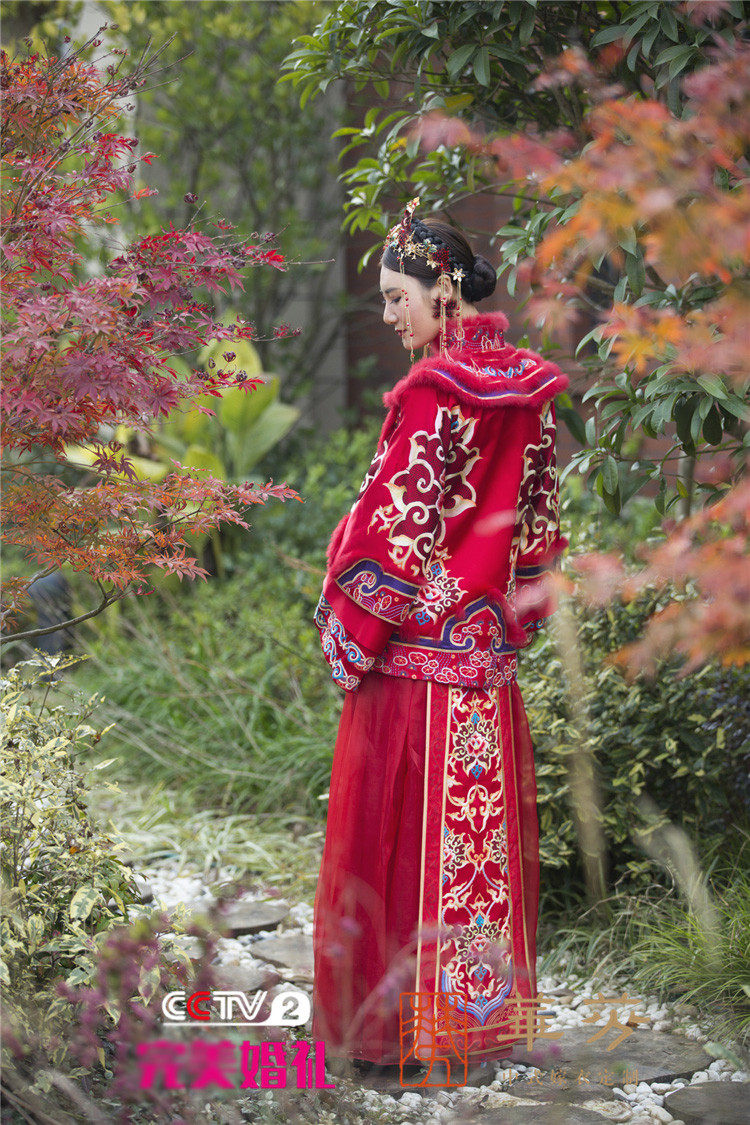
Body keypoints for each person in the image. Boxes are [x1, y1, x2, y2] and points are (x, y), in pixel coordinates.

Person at [312, 198, 568, 1082]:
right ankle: (470, 1024)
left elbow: (392, 529)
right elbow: (538, 530)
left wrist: (349, 624)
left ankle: (394, 1037)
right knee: (474, 841)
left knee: (397, 844)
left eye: (398, 297)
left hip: (412, 665)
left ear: (444, 287)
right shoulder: (531, 389)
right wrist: (504, 612)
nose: (390, 315)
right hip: (482, 660)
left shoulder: (431, 393)